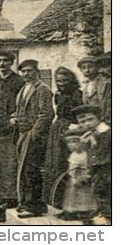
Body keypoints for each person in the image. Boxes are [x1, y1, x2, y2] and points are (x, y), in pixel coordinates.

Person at [11, 59, 53, 218]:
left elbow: (46, 114)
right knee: (24, 169)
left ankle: (35, 205)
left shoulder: (42, 89)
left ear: (37, 72)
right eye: (23, 71)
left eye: (29, 71)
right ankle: (26, 202)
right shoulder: (23, 89)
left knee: (31, 169)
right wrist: (13, 118)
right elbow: (19, 110)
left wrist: (34, 133)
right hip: (22, 133)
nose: (26, 74)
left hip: (33, 135)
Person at [0, 51, 25, 223]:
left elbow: (21, 104)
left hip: (12, 131)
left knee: (11, 165)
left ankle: (12, 201)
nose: (2, 64)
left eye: (6, 61)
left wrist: (14, 117)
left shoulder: (18, 81)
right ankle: (2, 202)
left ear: (12, 62)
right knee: (0, 167)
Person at [43, 67, 84, 208]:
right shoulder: (58, 94)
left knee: (67, 163)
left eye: (65, 80)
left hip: (71, 129)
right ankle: (57, 201)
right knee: (55, 164)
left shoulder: (77, 94)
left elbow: (78, 114)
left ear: (71, 79)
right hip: (57, 129)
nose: (62, 83)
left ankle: (71, 203)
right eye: (59, 81)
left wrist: (73, 127)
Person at [75, 104, 111, 225]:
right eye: (83, 121)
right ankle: (102, 213)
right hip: (97, 168)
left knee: (104, 190)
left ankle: (107, 216)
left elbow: (104, 153)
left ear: (99, 118)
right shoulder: (91, 134)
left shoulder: (106, 133)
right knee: (98, 190)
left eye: (90, 119)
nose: (87, 124)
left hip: (106, 168)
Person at [53, 126, 96, 221]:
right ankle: (70, 210)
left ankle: (83, 211)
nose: (71, 145)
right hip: (73, 178)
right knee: (71, 195)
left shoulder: (85, 155)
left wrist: (84, 175)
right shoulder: (74, 154)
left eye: (75, 142)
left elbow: (88, 167)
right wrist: (72, 177)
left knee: (83, 195)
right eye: (68, 142)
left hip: (81, 178)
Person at [78, 56, 111, 125]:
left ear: (97, 68)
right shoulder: (86, 86)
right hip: (93, 122)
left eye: (90, 67)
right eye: (83, 68)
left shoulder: (106, 83)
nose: (87, 70)